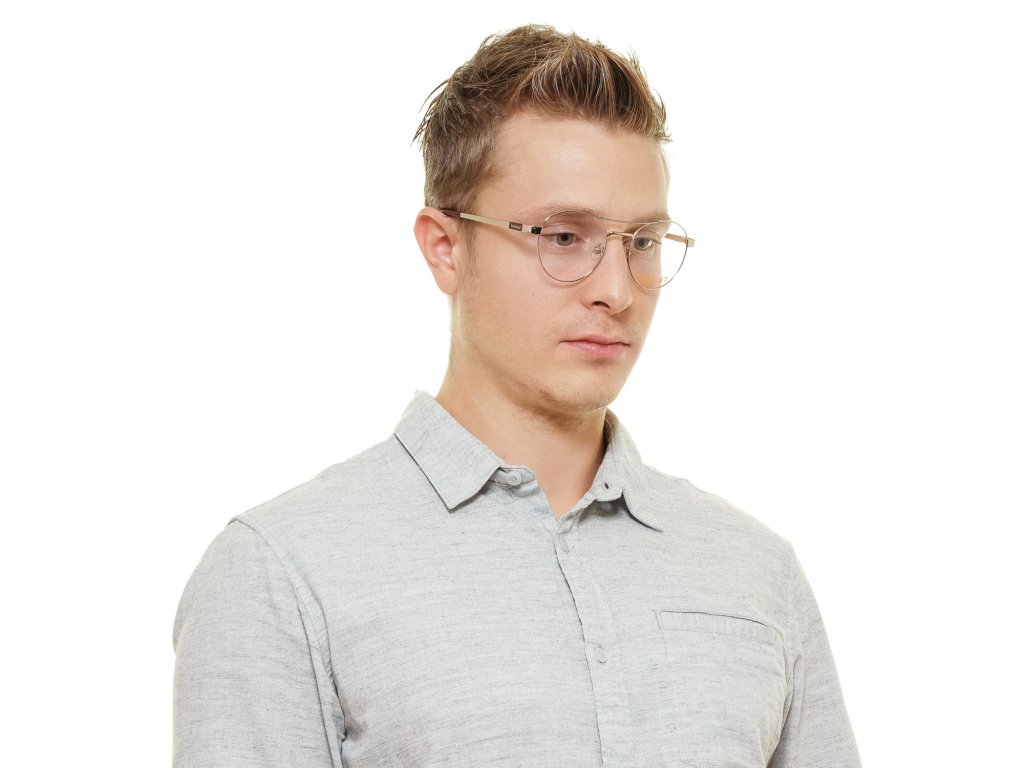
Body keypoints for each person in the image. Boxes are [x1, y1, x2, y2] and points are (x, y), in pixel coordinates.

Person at [172, 25, 860, 768]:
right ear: (445, 246)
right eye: (563, 236)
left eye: (642, 241)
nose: (616, 290)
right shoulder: (281, 572)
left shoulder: (756, 571)